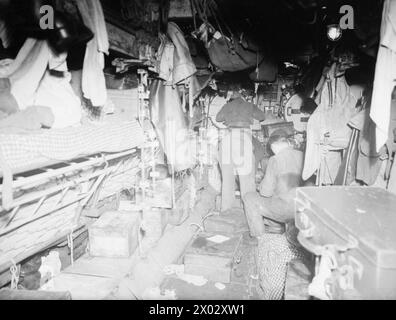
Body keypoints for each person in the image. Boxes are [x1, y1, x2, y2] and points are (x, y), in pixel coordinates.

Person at [242, 129, 304, 236]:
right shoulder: (303, 155)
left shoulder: (275, 159)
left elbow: (266, 193)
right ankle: (275, 228)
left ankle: (259, 237)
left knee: (249, 198)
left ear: (274, 146)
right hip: (303, 208)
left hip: (286, 209)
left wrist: (260, 186)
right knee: (276, 196)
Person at [216, 90, 266, 212]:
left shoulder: (227, 105)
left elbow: (218, 118)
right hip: (243, 139)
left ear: (230, 99)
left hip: (228, 139)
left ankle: (225, 211)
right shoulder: (249, 105)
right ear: (243, 98)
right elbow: (262, 117)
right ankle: (249, 212)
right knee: (247, 180)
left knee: (227, 180)